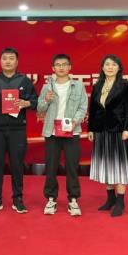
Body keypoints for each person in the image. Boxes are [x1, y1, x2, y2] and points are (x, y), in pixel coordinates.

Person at [0, 47, 38, 214]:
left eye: (11, 58)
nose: (8, 61)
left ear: (17, 62)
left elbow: (35, 101)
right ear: (0, 61)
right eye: (5, 58)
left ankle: (18, 199)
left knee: (17, 165)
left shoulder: (24, 81)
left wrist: (26, 103)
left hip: (17, 129)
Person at [37, 53, 88, 217]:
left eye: (64, 64)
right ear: (53, 68)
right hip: (52, 132)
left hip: (71, 131)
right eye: (58, 65)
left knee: (72, 167)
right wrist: (46, 100)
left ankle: (73, 199)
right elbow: (40, 109)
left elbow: (83, 107)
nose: (61, 67)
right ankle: (51, 199)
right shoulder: (47, 87)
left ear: (69, 67)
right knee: (51, 167)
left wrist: (74, 122)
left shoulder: (78, 86)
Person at [87, 54, 128, 217]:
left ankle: (120, 201)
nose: (110, 67)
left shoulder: (125, 85)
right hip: (101, 131)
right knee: (105, 165)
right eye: (107, 64)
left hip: (119, 131)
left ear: (119, 68)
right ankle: (110, 199)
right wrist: (91, 129)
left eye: (114, 65)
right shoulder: (97, 85)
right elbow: (93, 110)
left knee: (119, 166)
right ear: (102, 67)